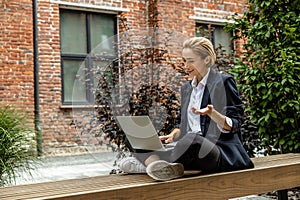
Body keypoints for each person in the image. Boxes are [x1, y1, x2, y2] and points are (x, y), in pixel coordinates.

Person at [118, 37, 254, 181]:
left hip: (214, 150)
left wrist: (212, 113)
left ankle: (148, 164)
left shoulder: (224, 82)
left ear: (207, 60)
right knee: (136, 133)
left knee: (192, 140)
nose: (186, 65)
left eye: (191, 60)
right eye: (184, 60)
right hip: (183, 150)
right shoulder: (187, 88)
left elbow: (235, 123)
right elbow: (180, 124)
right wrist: (171, 136)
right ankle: (158, 166)